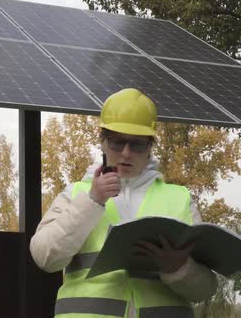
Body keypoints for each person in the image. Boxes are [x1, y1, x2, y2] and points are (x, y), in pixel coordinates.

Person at [30, 88, 218, 318]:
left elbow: (205, 290)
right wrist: (92, 201)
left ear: (150, 147)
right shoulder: (75, 194)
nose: (126, 153)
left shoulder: (179, 199)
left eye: (137, 144)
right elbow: (45, 257)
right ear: (102, 142)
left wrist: (178, 269)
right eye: (117, 143)